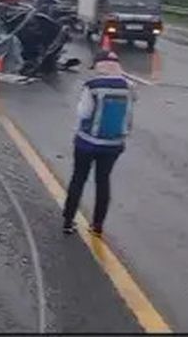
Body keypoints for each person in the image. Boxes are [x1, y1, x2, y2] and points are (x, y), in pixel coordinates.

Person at [62, 50, 135, 236]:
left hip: (87, 142)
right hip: (113, 145)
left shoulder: (93, 86)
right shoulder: (129, 87)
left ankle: (68, 222)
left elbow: (83, 113)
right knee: (103, 181)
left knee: (78, 178)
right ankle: (97, 225)